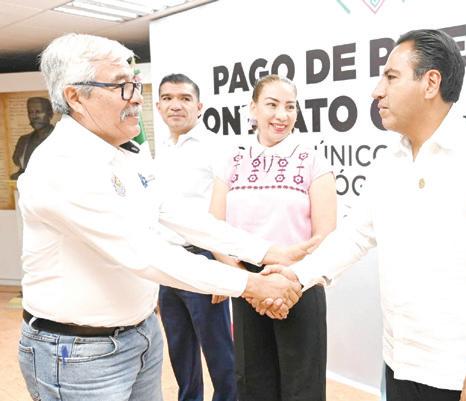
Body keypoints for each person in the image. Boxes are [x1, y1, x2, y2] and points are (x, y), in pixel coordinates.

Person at [16, 33, 310, 401]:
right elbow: (144, 252)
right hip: (80, 355)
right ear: (76, 96)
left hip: (139, 335)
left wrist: (266, 252)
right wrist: (251, 284)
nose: (137, 97)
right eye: (121, 86)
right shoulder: (61, 166)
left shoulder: (126, 151)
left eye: (135, 83)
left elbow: (174, 212)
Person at [260, 30, 466, 401]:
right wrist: (297, 276)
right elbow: (355, 236)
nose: (377, 91)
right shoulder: (388, 162)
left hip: (465, 374)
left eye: (391, 77)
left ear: (431, 83)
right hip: (399, 365)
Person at [210, 74, 337, 401]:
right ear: (253, 108)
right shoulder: (232, 160)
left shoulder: (313, 159)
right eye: (272, 104)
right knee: (253, 383)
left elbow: (326, 235)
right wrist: (248, 284)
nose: (282, 115)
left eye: (290, 107)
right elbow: (214, 230)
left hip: (299, 283)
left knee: (303, 387)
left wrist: (290, 281)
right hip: (246, 282)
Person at [154, 73, 237, 401]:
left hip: (203, 259)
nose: (176, 105)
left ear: (199, 106)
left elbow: (228, 209)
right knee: (181, 354)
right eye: (168, 98)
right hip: (167, 262)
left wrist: (224, 269)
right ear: (158, 106)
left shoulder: (216, 148)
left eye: (185, 98)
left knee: (220, 355)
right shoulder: (160, 149)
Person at [10, 97, 55, 179]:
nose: (34, 116)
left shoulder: (63, 139)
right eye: (31, 112)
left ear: (50, 114)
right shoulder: (23, 141)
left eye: (38, 112)